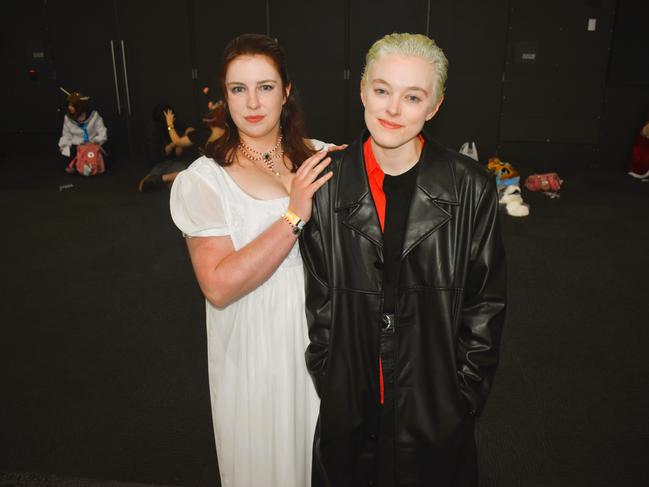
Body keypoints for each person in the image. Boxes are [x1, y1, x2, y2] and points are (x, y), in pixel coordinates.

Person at [299, 33, 507, 487]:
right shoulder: (327, 181)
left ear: (434, 107)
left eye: (412, 97)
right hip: (352, 401)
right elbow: (320, 298)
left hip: (434, 408)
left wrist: (463, 397)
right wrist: (329, 377)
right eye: (381, 90)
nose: (393, 110)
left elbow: (485, 303)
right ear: (362, 91)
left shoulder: (471, 187)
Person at [169, 34, 336, 487]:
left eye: (265, 86)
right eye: (238, 89)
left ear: (286, 91)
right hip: (256, 347)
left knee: (324, 457)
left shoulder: (318, 158)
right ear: (225, 97)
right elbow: (218, 285)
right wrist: (294, 215)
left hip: (321, 342)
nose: (252, 102)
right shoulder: (205, 180)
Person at [138, 103, 193, 192]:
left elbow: (178, 153)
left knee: (187, 170)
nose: (173, 116)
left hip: (172, 162)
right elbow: (158, 156)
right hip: (158, 164)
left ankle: (167, 181)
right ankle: (155, 177)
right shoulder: (153, 130)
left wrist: (186, 135)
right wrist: (174, 143)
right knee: (185, 173)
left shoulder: (175, 125)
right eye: (170, 114)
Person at [58, 88, 108, 172]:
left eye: (72, 105)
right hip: (77, 145)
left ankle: (94, 166)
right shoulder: (67, 118)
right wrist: (64, 145)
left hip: (93, 144)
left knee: (106, 152)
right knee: (66, 153)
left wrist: (95, 142)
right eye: (69, 105)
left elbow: (102, 132)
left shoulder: (94, 115)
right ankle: (78, 165)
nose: (69, 107)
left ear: (80, 106)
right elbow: (66, 135)